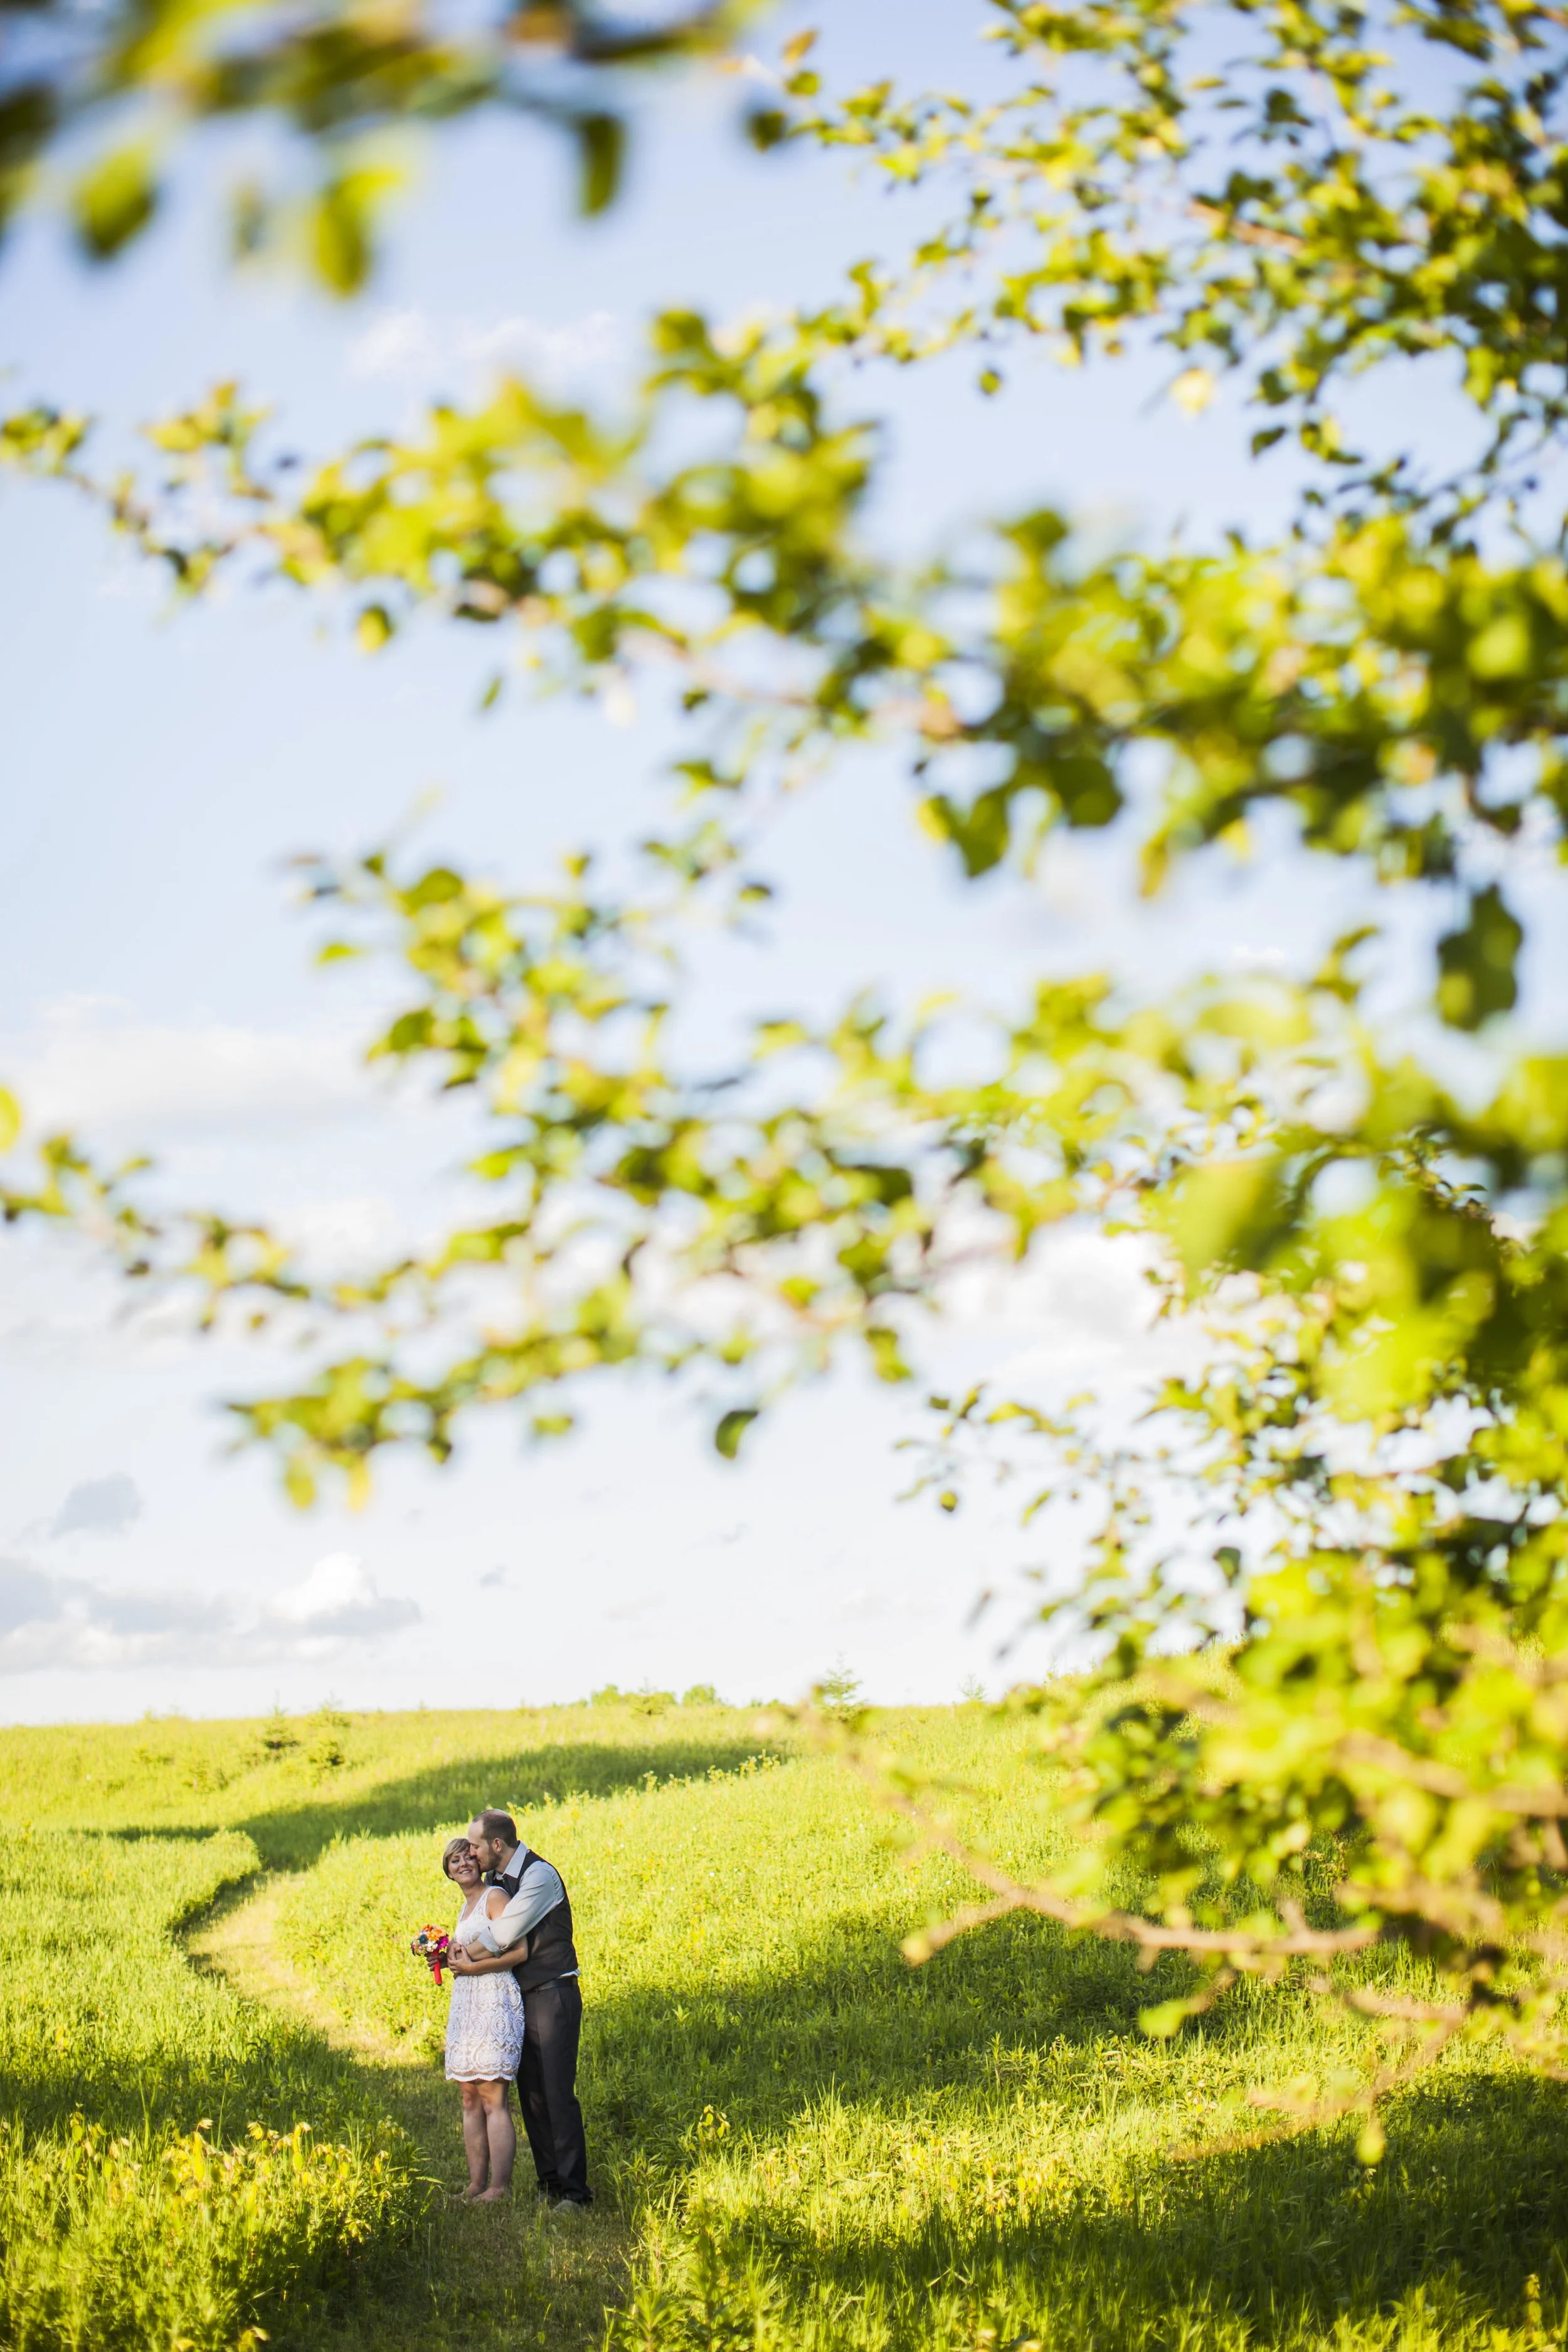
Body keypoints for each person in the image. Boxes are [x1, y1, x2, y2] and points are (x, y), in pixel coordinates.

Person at [464, 1808, 591, 2207]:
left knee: (557, 2093)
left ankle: (575, 2192)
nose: (471, 1854)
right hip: (523, 1997)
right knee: (532, 2094)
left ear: (497, 1844)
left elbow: (503, 1932)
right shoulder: (498, 1880)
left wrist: (462, 1956)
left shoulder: (538, 1875)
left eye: (476, 1846)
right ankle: (549, 2183)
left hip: (554, 1993)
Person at [437, 1834, 524, 2202]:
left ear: (478, 1862)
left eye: (469, 1857)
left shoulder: (495, 1898)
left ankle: (499, 2188)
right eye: (455, 1861)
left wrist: (472, 1970)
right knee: (469, 2098)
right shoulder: (465, 1909)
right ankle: (475, 2184)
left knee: (492, 2097)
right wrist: (444, 1959)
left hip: (493, 2000)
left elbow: (519, 1952)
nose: (464, 1864)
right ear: (449, 1872)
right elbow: (468, 1956)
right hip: (467, 2004)